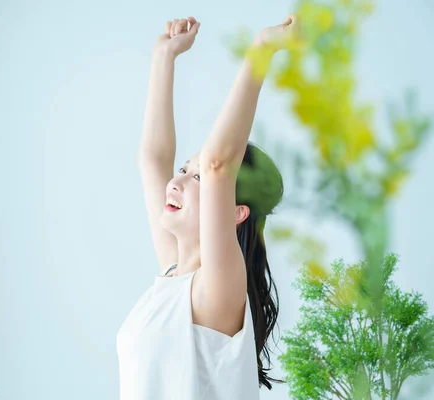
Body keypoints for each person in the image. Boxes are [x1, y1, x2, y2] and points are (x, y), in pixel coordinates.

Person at [116, 14, 298, 400]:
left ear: (236, 212)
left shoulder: (217, 289)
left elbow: (218, 163)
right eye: (184, 169)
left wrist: (262, 50)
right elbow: (153, 160)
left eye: (195, 178)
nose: (176, 181)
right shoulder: (173, 274)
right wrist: (163, 58)